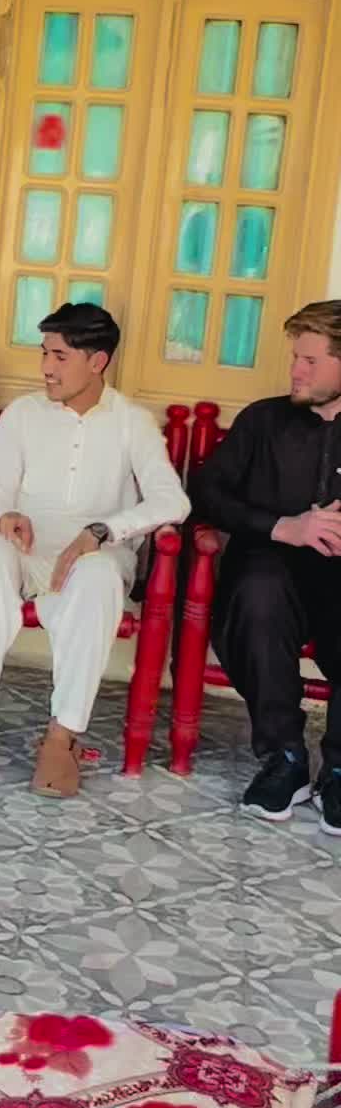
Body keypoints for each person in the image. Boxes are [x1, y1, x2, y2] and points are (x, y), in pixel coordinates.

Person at [0, 303, 189, 801]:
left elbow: (173, 501)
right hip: (25, 548)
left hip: (92, 559)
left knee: (99, 579)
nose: (46, 368)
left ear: (97, 361)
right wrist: (3, 516)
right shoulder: (23, 415)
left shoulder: (132, 422)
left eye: (59, 356)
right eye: (44, 354)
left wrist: (102, 531)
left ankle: (62, 737)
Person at [191, 299, 341, 834]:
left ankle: (339, 771)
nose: (296, 371)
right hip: (269, 569)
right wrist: (283, 526)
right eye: (295, 358)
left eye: (310, 361)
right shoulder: (264, 419)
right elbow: (206, 492)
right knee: (258, 595)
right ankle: (285, 758)